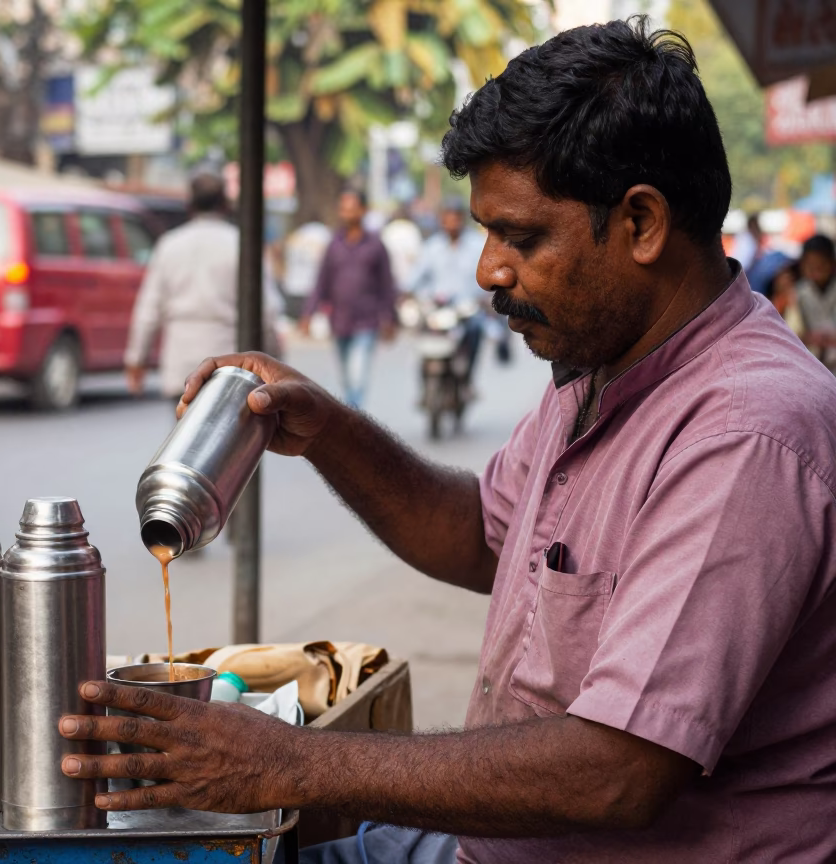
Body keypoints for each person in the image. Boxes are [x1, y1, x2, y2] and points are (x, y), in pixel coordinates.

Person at [56, 19, 836, 864]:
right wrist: (332, 432)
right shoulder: (602, 367)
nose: (488, 271)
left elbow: (615, 770)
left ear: (642, 222)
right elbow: (479, 535)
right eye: (486, 234)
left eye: (523, 238)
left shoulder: (747, 436)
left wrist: (286, 762)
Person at [124, 171, 280, 400]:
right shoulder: (242, 244)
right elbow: (268, 311)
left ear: (190, 205)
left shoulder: (170, 245)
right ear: (226, 205)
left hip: (180, 364)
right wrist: (272, 360)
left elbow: (148, 310)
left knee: (184, 432)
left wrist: (136, 360)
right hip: (230, 364)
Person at [301, 189, 397, 409]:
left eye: (351, 208)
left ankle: (354, 421)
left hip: (366, 321)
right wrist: (308, 313)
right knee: (346, 378)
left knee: (357, 377)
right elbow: (321, 282)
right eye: (343, 208)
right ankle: (354, 415)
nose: (347, 213)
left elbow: (387, 284)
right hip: (339, 322)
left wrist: (390, 318)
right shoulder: (334, 244)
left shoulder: (375, 245)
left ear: (363, 210)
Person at [408, 198, 489, 379]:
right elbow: (416, 276)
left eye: (456, 218)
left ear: (462, 219)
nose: (452, 223)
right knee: (419, 330)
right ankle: (423, 378)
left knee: (476, 329)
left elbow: (486, 276)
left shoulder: (477, 245)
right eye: (447, 218)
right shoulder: (432, 247)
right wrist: (406, 293)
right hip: (437, 307)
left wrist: (483, 298)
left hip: (466, 308)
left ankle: (468, 376)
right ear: (441, 220)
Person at [795, 233, 836, 366]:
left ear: (832, 263)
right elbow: (793, 331)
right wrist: (808, 337)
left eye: (821, 265)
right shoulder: (799, 293)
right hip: (812, 363)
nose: (816, 271)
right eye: (811, 266)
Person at [380, 204, 424, 289]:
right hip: (407, 276)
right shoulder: (411, 229)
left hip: (392, 275)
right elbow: (416, 255)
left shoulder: (389, 229)